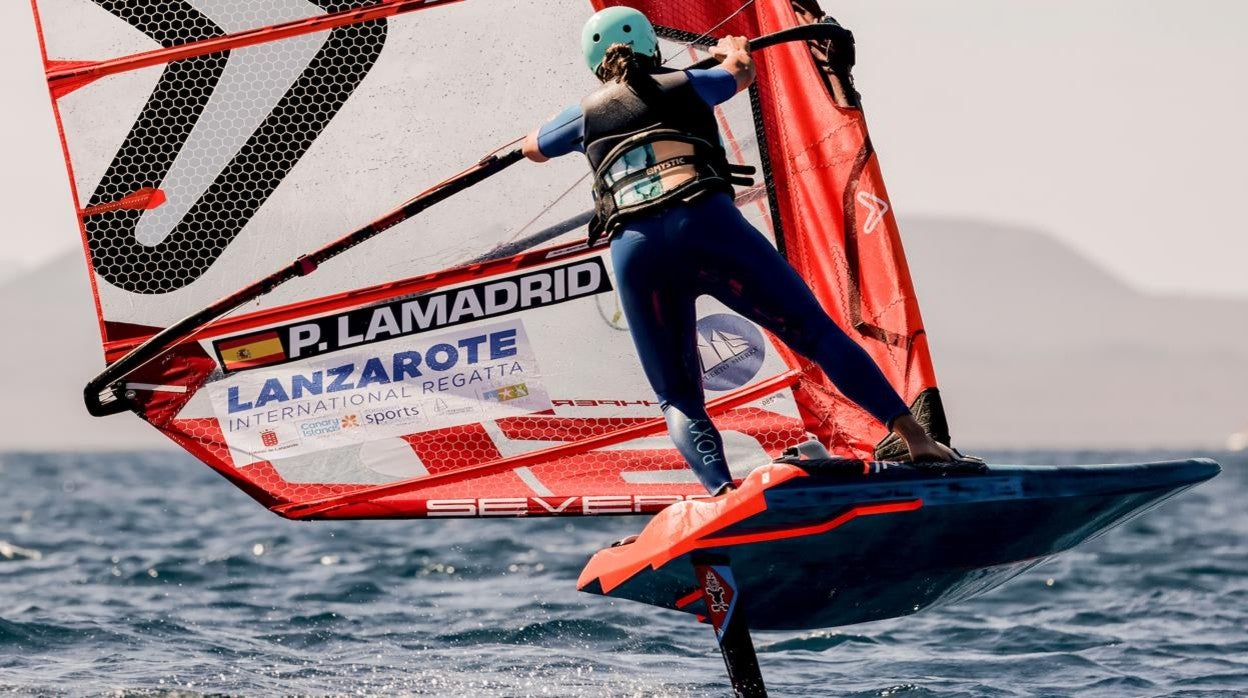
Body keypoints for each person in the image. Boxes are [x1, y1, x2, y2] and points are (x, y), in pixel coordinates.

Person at [522, 7, 957, 496]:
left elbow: (535, 146)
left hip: (637, 253)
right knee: (815, 333)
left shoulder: (583, 114)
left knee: (679, 399)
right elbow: (739, 72)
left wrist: (536, 139)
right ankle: (917, 441)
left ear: (594, 64)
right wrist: (732, 48)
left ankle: (721, 494)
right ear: (651, 47)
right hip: (706, 227)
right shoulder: (688, 83)